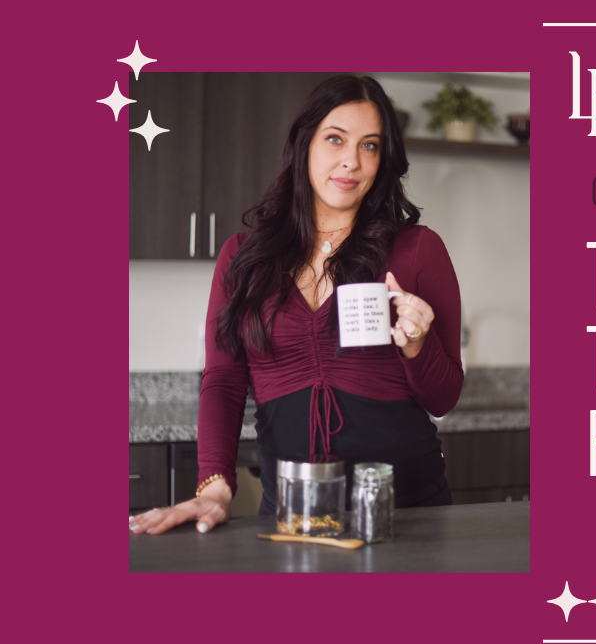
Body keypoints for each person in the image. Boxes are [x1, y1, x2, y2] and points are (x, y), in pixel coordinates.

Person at [130, 75, 464, 536]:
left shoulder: (418, 250)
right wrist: (214, 486)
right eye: (335, 139)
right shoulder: (242, 256)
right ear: (304, 144)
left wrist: (418, 345)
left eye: (370, 145)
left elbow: (444, 396)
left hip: (403, 514)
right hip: (293, 513)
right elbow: (224, 382)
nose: (351, 161)